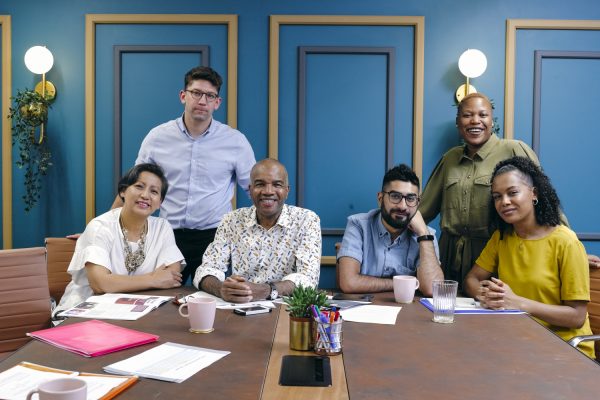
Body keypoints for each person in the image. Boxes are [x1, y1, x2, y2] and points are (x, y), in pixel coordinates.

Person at [112, 66, 256, 285]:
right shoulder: (157, 137)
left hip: (215, 236)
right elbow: (134, 187)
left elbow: (255, 191)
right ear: (183, 96)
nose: (202, 101)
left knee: (212, 298)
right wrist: (104, 226)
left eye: (210, 96)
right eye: (196, 93)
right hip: (167, 234)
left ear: (217, 102)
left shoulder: (235, 141)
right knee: (160, 296)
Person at [464, 156, 595, 358]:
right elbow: (472, 279)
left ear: (534, 193)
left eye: (512, 192)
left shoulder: (566, 242)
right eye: (497, 196)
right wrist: (486, 296)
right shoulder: (502, 237)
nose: (504, 202)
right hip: (517, 340)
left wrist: (517, 303)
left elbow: (577, 317)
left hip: (565, 348)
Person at [57, 163, 184, 312]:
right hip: (85, 310)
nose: (145, 195)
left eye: (154, 191)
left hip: (134, 311)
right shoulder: (100, 227)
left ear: (160, 203)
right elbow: (100, 285)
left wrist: (116, 282)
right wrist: (153, 279)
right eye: (139, 186)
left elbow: (172, 276)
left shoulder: (162, 228)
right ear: (123, 191)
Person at [192, 158, 321, 303]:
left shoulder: (306, 220)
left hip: (287, 311)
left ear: (287, 190)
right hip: (239, 308)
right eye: (260, 184)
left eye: (277, 184)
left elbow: (308, 278)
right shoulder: (231, 220)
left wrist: (266, 290)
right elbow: (206, 270)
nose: (268, 191)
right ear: (250, 189)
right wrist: (222, 289)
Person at [337, 164, 444, 295]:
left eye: (410, 198)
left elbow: (432, 289)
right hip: (364, 310)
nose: (402, 206)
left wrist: (423, 234)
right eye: (395, 196)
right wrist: (402, 283)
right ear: (380, 198)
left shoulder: (427, 235)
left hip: (409, 311)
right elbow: (349, 283)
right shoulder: (358, 225)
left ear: (418, 202)